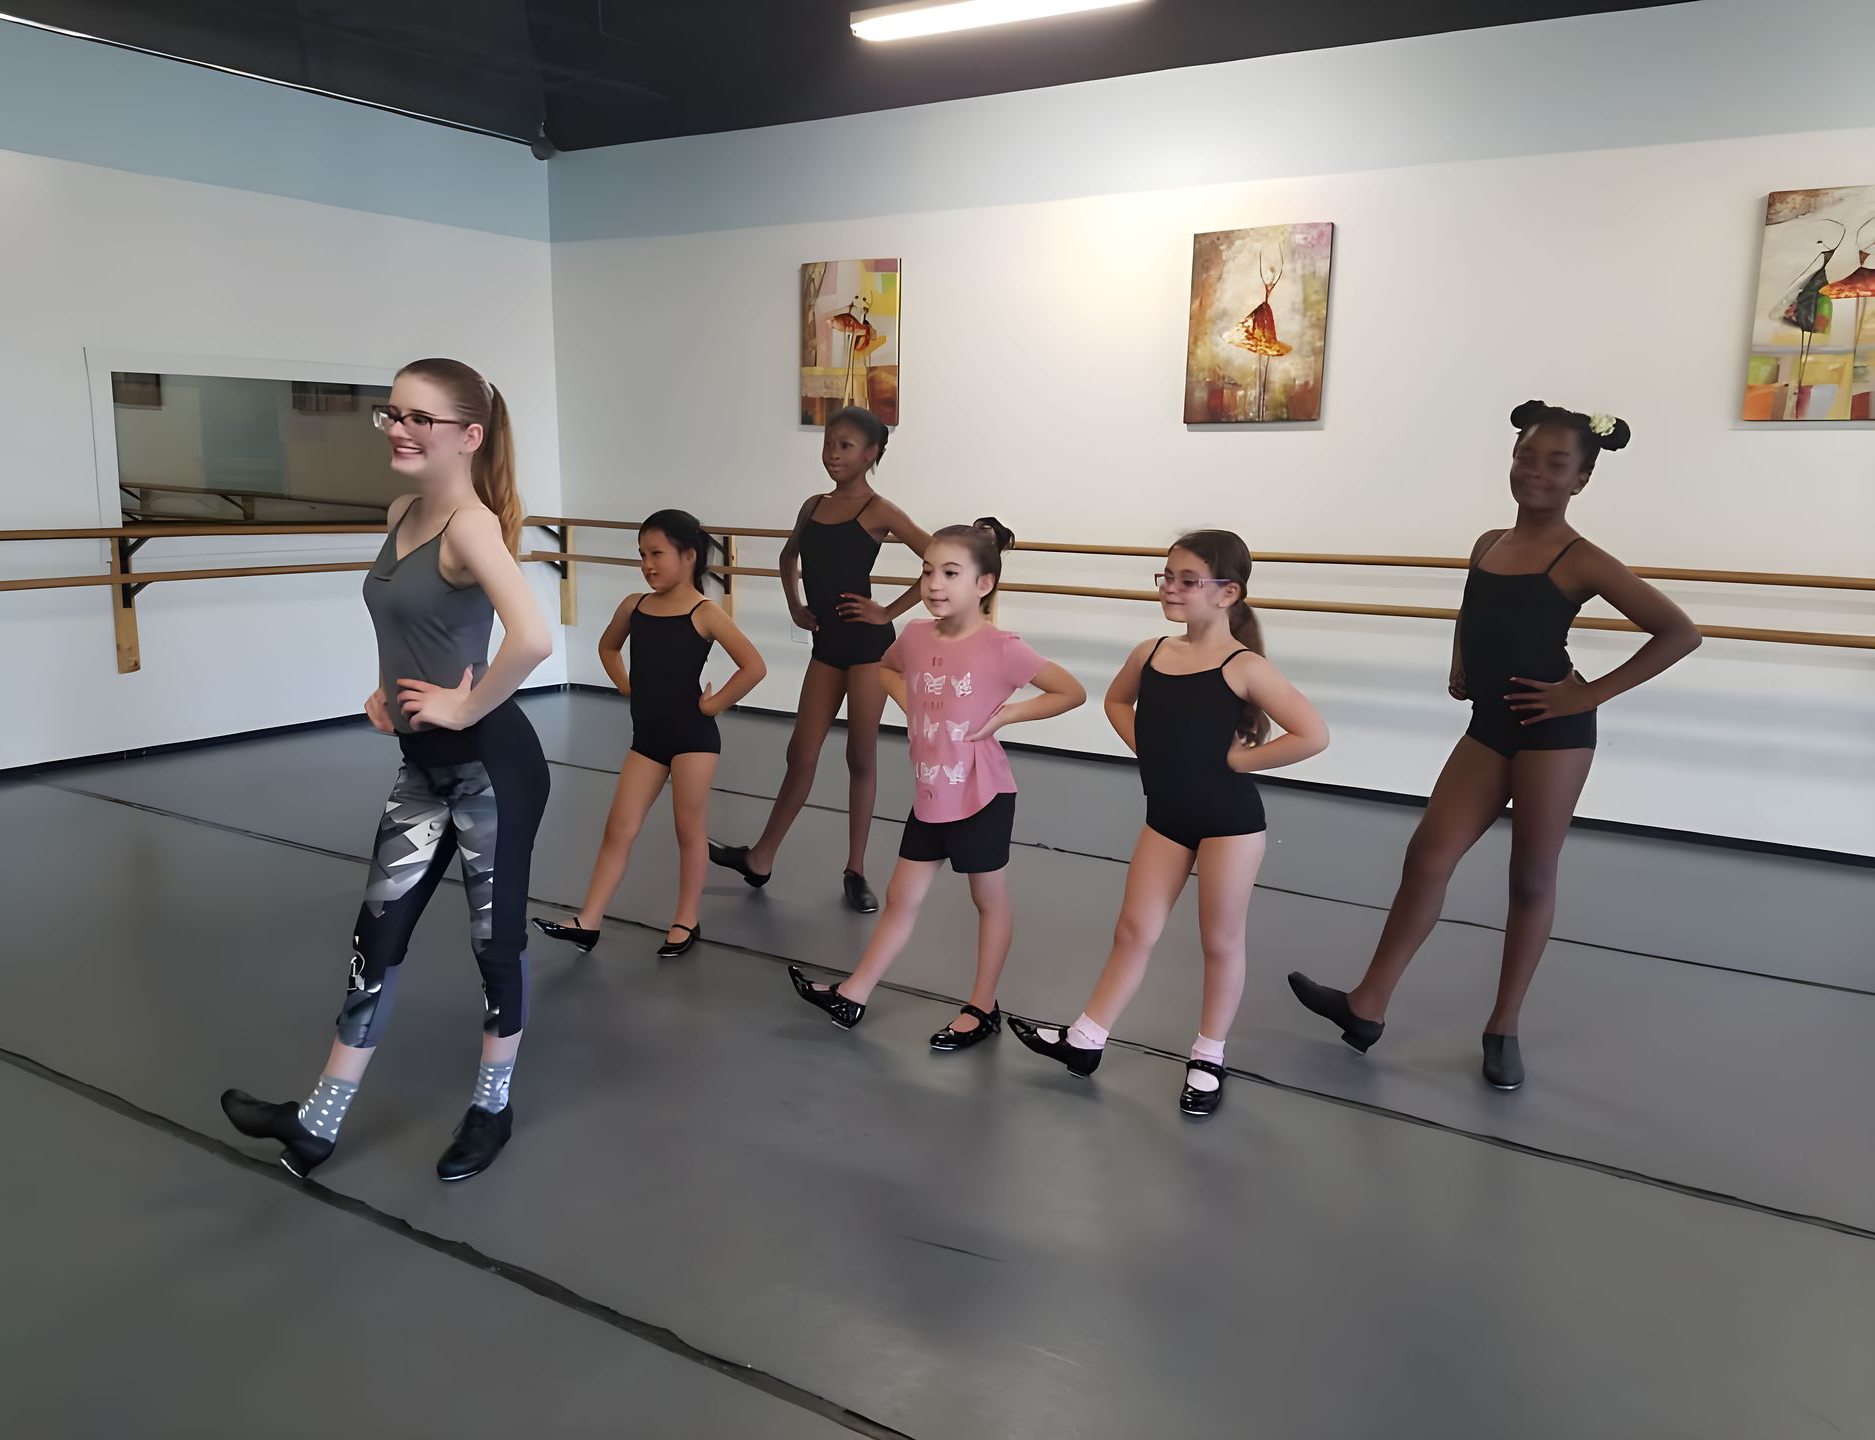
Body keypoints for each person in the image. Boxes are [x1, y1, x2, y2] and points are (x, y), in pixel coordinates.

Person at [1288, 400, 1701, 1090]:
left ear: (1581, 479)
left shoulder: (1583, 560)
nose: (1534, 472)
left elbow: (1678, 632)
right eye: (1525, 456)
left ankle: (1503, 1025)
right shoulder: (1487, 544)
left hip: (1553, 731)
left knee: (1530, 877)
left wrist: (1586, 694)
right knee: (1428, 854)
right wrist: (1458, 661)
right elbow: (1472, 607)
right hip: (1488, 724)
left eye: (1555, 463)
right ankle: (1365, 1006)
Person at [221, 358, 553, 1180]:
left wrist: (463, 708)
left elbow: (532, 640)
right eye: (392, 413)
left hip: (492, 770)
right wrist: (390, 696)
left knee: (493, 945)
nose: (399, 429)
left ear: (468, 437)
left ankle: (492, 1109)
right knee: (378, 936)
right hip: (422, 769)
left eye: (419, 418)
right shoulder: (403, 510)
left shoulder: (470, 525)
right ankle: (317, 1122)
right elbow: (408, 619)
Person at [1012, 531, 1329, 1117]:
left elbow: (1313, 734)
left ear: (1227, 593)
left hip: (1229, 824)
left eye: (1188, 580)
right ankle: (1086, 1039)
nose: (1172, 589)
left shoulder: (1244, 667)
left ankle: (1208, 1055)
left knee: (1220, 941)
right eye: (1167, 577)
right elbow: (1115, 703)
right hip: (1167, 817)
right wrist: (1148, 752)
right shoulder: (1150, 652)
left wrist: (1241, 760)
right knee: (1133, 931)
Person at [789, 519, 1086, 1043]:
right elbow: (886, 669)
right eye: (927, 571)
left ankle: (982, 1006)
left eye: (951, 573)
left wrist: (1006, 716)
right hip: (931, 794)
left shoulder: (1002, 646)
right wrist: (913, 707)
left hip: (981, 795)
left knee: (987, 900)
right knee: (902, 897)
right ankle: (853, 995)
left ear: (984, 584)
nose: (933, 584)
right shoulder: (914, 635)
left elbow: (1069, 691)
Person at [709, 405, 931, 912]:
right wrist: (794, 604)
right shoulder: (813, 506)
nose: (833, 452)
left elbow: (939, 560)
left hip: (869, 651)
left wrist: (888, 611)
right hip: (828, 646)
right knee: (800, 754)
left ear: (872, 453)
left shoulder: (880, 510)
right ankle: (760, 858)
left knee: (860, 756)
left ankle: (856, 869)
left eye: (846, 445)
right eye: (829, 442)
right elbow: (790, 556)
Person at [531, 510, 765, 959]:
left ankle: (686, 919)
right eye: (642, 555)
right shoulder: (635, 605)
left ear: (689, 556)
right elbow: (607, 645)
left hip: (694, 740)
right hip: (648, 739)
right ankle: (589, 920)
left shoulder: (706, 613)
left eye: (657, 554)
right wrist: (625, 684)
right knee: (618, 828)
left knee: (688, 829)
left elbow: (753, 665)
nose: (647, 564)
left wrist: (714, 705)